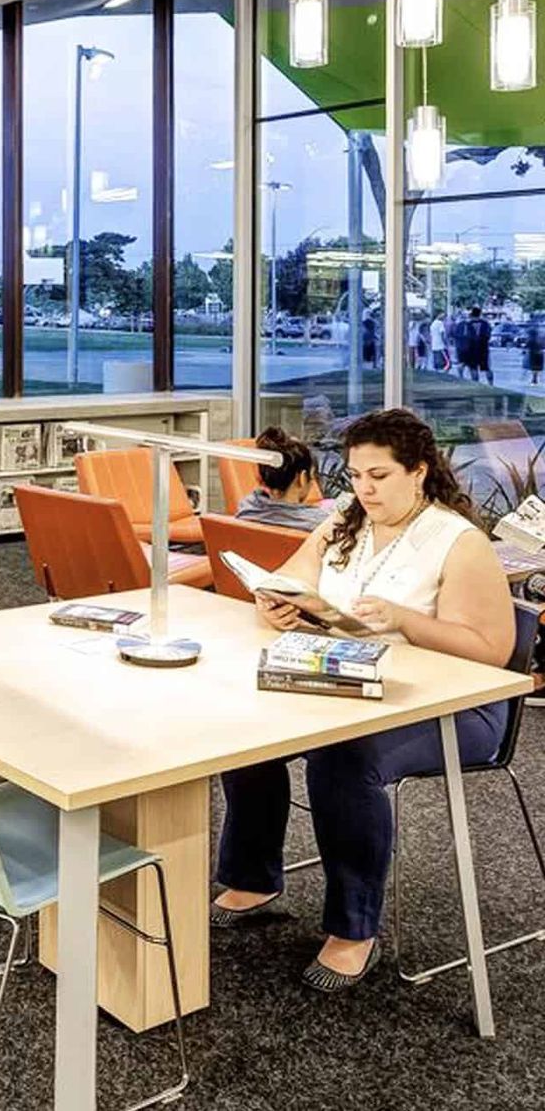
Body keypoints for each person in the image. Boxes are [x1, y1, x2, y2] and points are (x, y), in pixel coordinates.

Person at [212, 408, 515, 991]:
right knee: (248, 728)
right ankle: (252, 876)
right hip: (357, 683)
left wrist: (404, 619)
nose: (364, 489)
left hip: (455, 707)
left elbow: (491, 652)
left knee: (343, 757)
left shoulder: (458, 541)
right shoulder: (346, 520)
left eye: (379, 476)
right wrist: (275, 604)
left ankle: (354, 928)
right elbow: (289, 578)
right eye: (354, 475)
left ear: (418, 472)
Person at [235, 427, 328, 533]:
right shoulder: (320, 524)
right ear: (302, 478)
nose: (312, 483)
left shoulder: (247, 509)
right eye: (312, 476)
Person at [466, 306, 493, 384]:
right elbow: (488, 335)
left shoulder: (468, 324)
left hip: (471, 349)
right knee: (487, 368)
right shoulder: (485, 324)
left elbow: (466, 337)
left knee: (473, 368)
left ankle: (475, 384)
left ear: (472, 314)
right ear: (480, 314)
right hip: (483, 348)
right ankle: (491, 384)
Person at [525, 320, 543, 386]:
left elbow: (527, 346)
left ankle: (534, 380)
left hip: (533, 354)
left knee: (533, 367)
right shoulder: (540, 338)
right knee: (537, 368)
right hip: (540, 354)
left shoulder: (531, 339)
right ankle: (535, 379)